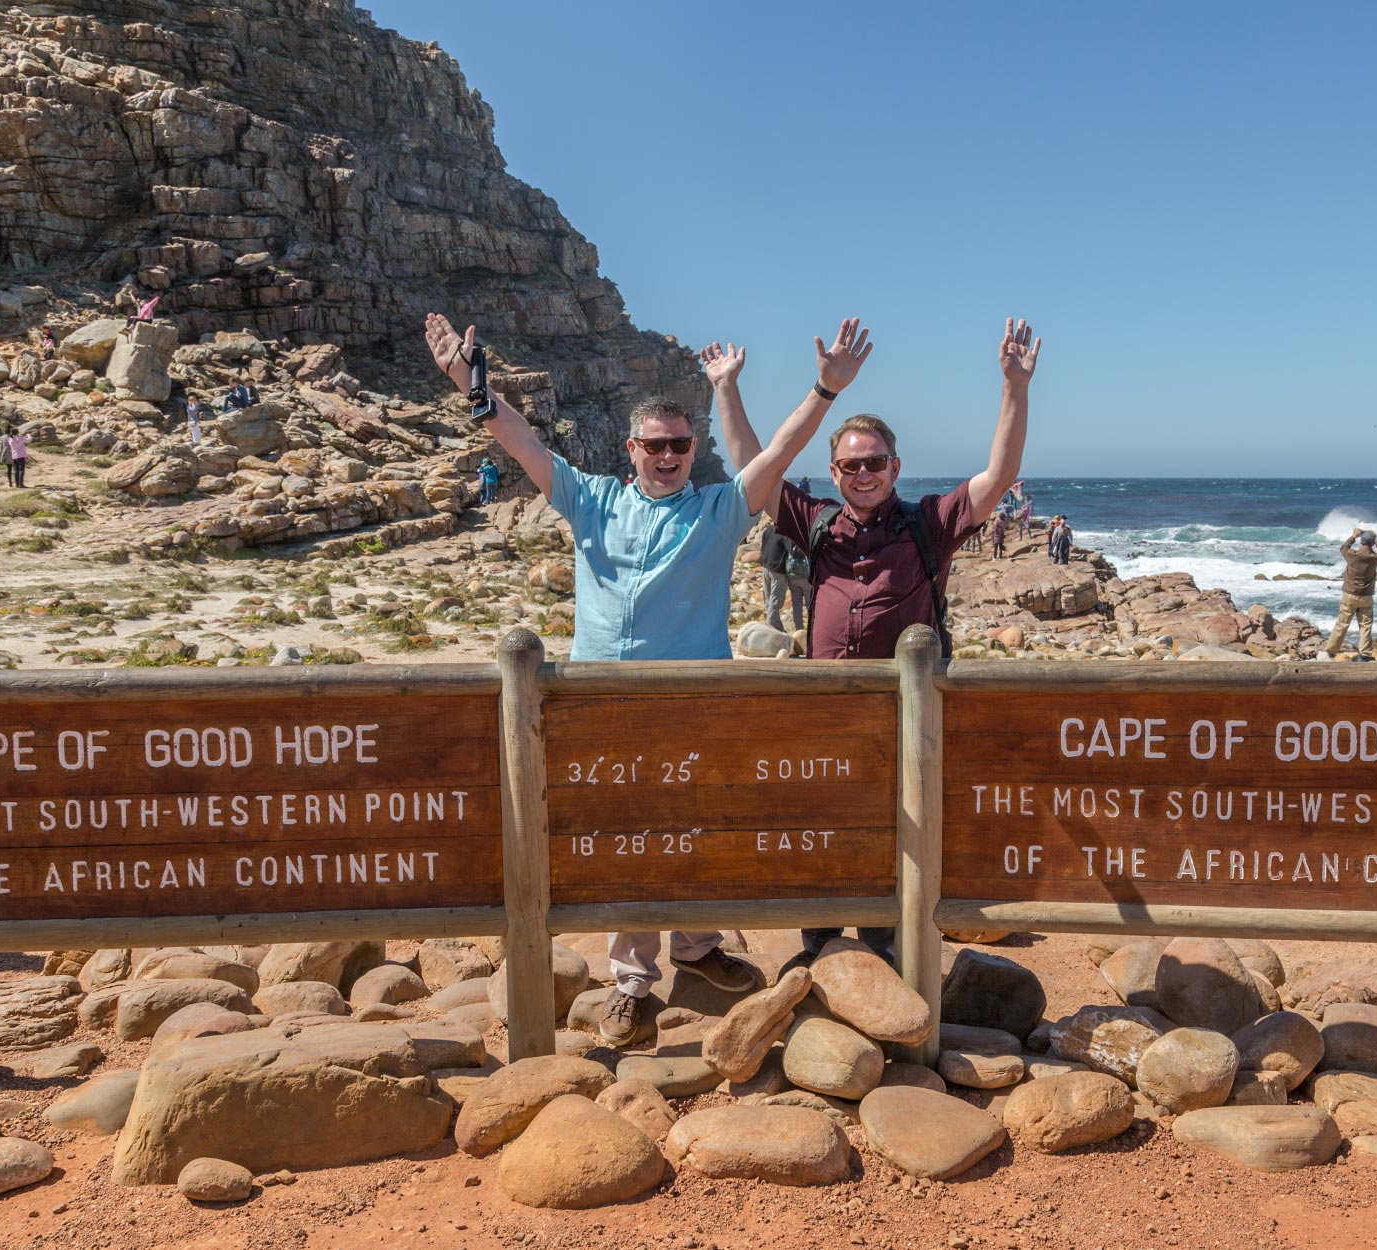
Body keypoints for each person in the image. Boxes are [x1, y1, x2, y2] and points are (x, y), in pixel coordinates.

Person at [428, 310, 875, 1044]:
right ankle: (634, 985)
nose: (669, 455)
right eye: (656, 445)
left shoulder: (719, 509)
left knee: (693, 832)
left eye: (680, 445)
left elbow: (783, 451)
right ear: (632, 449)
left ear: (692, 449)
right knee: (627, 839)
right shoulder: (591, 499)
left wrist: (824, 390)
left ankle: (698, 950)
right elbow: (524, 441)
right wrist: (467, 380)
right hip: (600, 707)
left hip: (694, 707)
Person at [715, 318, 1041, 969]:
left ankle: (888, 952)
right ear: (833, 472)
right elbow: (758, 466)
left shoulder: (929, 523)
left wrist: (1014, 387)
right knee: (824, 827)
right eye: (851, 464)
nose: (863, 474)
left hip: (905, 719)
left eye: (875, 463)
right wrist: (726, 390)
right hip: (824, 716)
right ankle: (823, 948)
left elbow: (999, 475)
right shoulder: (814, 521)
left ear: (896, 467)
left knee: (901, 833)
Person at [1323, 527, 1377, 659]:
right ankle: (1365, 653)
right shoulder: (1374, 558)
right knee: (1365, 626)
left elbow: (1343, 548)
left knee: (1342, 623)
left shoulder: (1353, 555)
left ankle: (1331, 650)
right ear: (1371, 543)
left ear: (1361, 542)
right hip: (1366, 597)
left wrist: (1353, 536)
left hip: (1349, 595)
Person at [758, 521, 810, 632]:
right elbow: (794, 552)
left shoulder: (768, 529)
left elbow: (762, 546)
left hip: (765, 566)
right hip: (778, 570)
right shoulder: (784, 533)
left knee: (768, 598)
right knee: (776, 599)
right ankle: (771, 627)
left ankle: (777, 626)